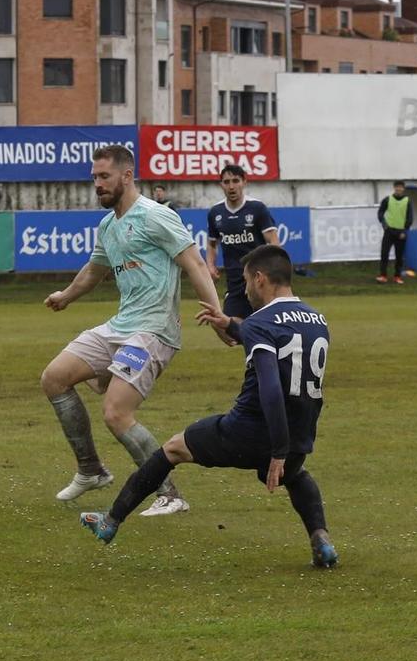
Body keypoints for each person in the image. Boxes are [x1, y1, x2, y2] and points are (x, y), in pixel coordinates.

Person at [80, 244, 338, 569]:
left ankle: (110, 522)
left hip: (251, 432)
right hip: (301, 433)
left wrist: (278, 450)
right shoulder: (317, 320)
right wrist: (230, 323)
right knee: (296, 475)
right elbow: (279, 342)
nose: (244, 288)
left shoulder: (261, 321)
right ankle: (321, 540)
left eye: (245, 281)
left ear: (260, 279)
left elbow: (271, 387)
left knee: (172, 449)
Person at [40, 144, 226, 517]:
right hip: (119, 326)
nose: (97, 184)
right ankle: (91, 470)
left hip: (152, 331)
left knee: (116, 413)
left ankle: (169, 493)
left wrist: (218, 314)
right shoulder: (108, 225)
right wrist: (66, 296)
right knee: (54, 378)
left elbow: (193, 264)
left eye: (104, 176)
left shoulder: (157, 216)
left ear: (127, 176)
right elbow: (94, 270)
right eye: (94, 177)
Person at [204, 162, 280, 320]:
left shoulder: (257, 208)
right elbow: (212, 243)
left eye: (236, 181)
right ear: (221, 185)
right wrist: (210, 265)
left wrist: (275, 268)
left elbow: (272, 240)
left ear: (244, 182)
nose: (231, 186)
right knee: (229, 327)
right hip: (234, 280)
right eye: (226, 182)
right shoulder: (215, 212)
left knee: (265, 323)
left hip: (258, 278)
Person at [376, 180, 412, 283]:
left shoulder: (407, 201)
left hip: (401, 232)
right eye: (397, 187)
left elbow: (410, 218)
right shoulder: (388, 199)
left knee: (399, 256)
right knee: (384, 253)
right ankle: (383, 276)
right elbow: (380, 212)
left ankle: (397, 276)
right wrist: (384, 224)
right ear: (394, 188)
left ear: (403, 189)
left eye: (401, 187)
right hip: (389, 231)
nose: (399, 189)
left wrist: (405, 231)